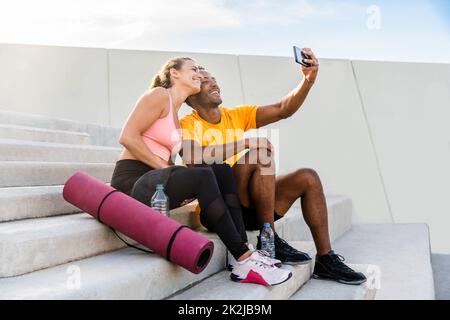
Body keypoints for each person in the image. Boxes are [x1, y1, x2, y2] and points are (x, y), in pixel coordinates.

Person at [180, 49, 367, 285]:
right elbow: (193, 156)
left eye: (214, 79)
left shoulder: (236, 115)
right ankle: (269, 239)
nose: (213, 83)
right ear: (192, 94)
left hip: (254, 205)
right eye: (205, 81)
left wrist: (308, 80)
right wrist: (245, 142)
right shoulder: (187, 124)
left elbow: (283, 109)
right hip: (221, 208)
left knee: (308, 177)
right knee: (260, 153)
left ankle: (326, 259)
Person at [110, 57, 290, 286]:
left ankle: (242, 255)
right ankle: (244, 258)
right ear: (174, 73)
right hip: (132, 182)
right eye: (193, 69)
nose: (199, 73)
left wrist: (246, 143)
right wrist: (166, 167)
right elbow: (127, 136)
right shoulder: (158, 95)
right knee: (203, 175)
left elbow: (198, 156)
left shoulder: (177, 116)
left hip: (156, 183)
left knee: (221, 169)